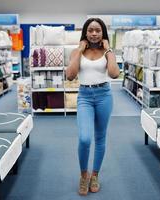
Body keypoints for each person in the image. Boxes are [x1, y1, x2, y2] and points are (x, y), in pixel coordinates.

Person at [66, 18, 120, 195]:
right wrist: (80, 50)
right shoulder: (77, 51)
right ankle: (84, 175)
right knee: (84, 138)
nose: (94, 33)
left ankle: (95, 175)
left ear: (103, 33)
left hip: (104, 95)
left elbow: (114, 74)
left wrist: (109, 51)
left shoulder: (108, 52)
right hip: (85, 97)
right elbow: (70, 75)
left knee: (100, 138)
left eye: (98, 30)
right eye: (91, 30)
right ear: (85, 33)